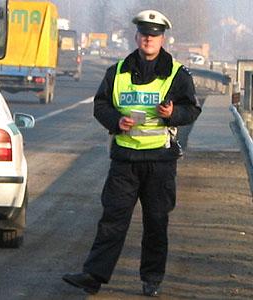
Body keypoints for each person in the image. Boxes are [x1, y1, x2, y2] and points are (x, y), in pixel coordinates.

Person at [62, 10, 201, 297]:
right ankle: (93, 275)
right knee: (112, 220)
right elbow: (101, 105)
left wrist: (173, 113)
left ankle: (152, 278)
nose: (148, 39)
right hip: (124, 160)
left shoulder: (178, 73)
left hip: (160, 161)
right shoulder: (117, 71)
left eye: (154, 35)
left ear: (162, 39)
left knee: (156, 222)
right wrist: (116, 121)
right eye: (144, 34)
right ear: (136, 36)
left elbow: (192, 110)